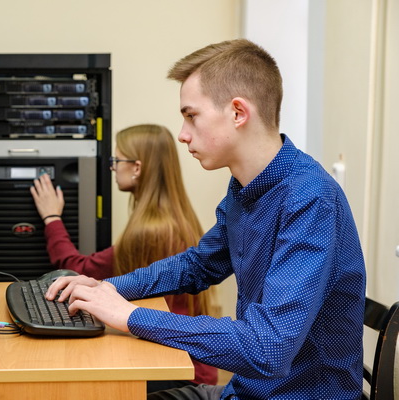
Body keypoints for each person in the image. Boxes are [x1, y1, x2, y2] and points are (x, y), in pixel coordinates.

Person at [45, 39, 366, 400]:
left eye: (191, 115)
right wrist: (110, 289)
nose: (182, 134)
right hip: (245, 391)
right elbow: (197, 265)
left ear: (238, 113)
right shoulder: (247, 187)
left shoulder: (310, 200)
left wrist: (130, 317)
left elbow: (268, 348)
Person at [30, 124, 221, 388]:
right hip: (191, 364)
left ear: (137, 168)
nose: (112, 167)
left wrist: (52, 218)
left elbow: (76, 268)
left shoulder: (150, 231)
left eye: (116, 160)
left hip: (181, 375)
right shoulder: (177, 217)